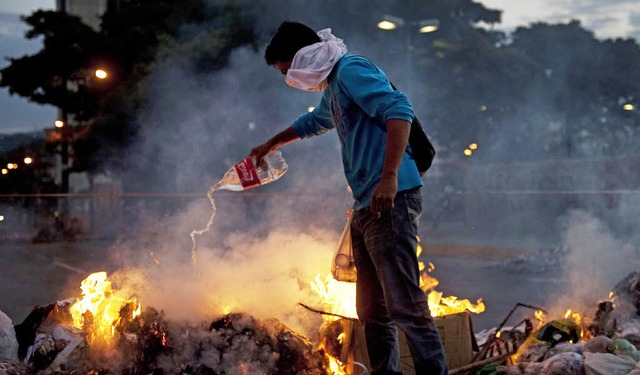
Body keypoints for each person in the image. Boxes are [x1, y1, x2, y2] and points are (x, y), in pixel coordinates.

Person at [250, 21, 448, 375]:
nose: (290, 79)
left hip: (392, 198)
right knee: (373, 311)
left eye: (287, 70)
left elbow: (399, 111)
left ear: (302, 57)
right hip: (366, 207)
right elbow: (315, 122)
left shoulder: (351, 69)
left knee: (405, 305)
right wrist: (271, 144)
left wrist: (388, 179)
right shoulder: (334, 85)